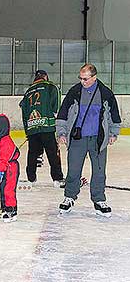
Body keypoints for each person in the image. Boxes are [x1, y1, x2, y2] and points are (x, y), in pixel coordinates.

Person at [57, 63, 121, 217]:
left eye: (85, 79)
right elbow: (63, 114)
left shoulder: (105, 93)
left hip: (98, 139)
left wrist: (113, 133)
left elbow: (114, 115)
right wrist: (61, 132)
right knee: (73, 170)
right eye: (81, 78)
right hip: (78, 138)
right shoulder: (75, 92)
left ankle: (99, 199)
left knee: (99, 171)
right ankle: (69, 197)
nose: (82, 81)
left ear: (94, 77)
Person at [19, 69, 64, 187]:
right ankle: (57, 179)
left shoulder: (28, 91)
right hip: (47, 126)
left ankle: (31, 178)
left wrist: (27, 129)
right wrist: (56, 118)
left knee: (32, 153)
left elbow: (23, 108)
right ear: (45, 77)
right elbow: (56, 103)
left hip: (32, 126)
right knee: (53, 152)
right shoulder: (50, 86)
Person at [0, 114, 20, 223]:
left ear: (1, 128)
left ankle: (11, 210)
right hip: (1, 168)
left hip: (10, 169)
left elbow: (4, 159)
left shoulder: (6, 142)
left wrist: (0, 170)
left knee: (8, 189)